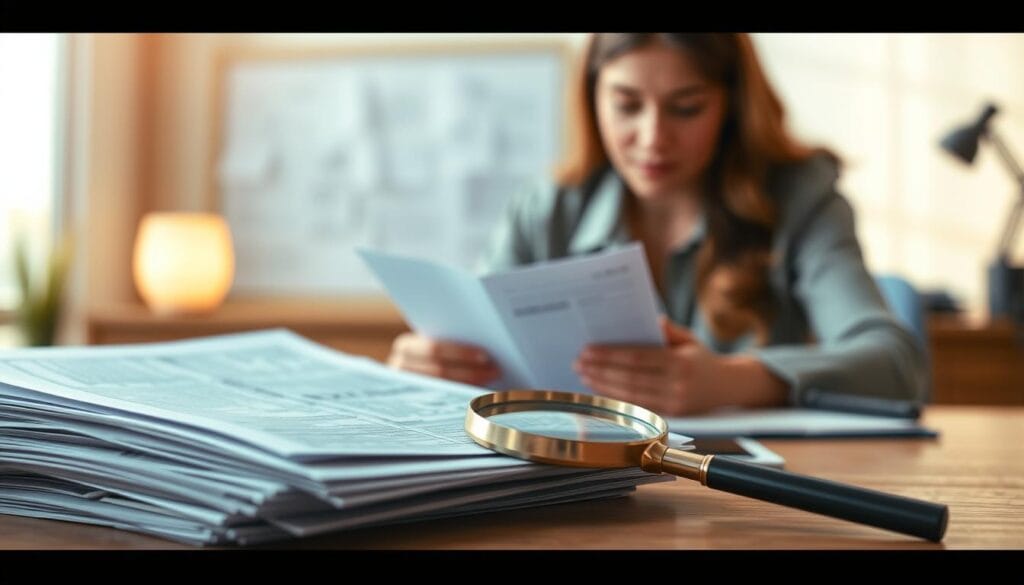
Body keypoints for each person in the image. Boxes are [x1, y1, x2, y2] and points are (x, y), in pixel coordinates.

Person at [387, 33, 927, 416]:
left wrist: (730, 380)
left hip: (746, 501)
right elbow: (477, 356)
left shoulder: (799, 198)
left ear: (731, 106)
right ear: (592, 99)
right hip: (574, 494)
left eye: (686, 108)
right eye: (626, 105)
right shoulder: (545, 210)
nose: (652, 139)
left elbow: (897, 366)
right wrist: (428, 371)